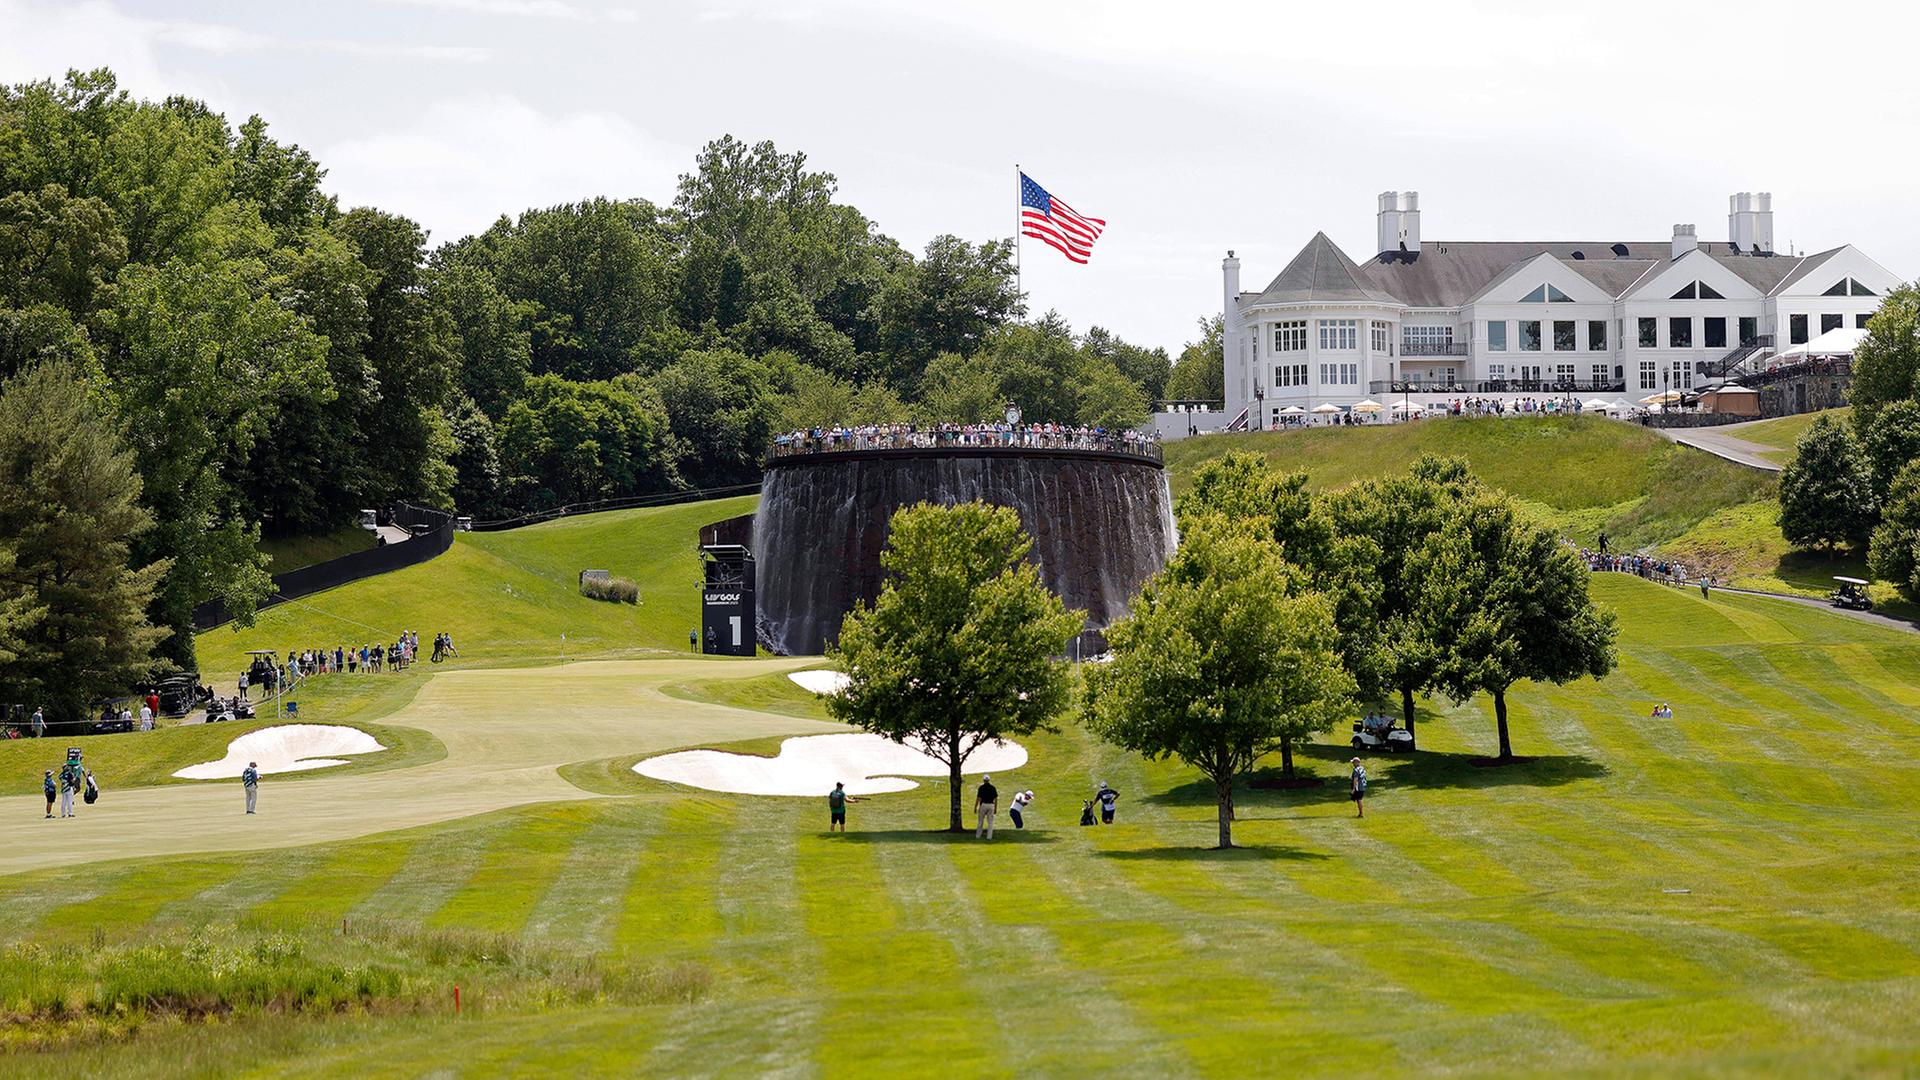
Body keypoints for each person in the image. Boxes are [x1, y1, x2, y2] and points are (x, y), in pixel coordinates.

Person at [975, 774, 999, 839]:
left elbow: (979, 798)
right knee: (990, 822)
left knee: (980, 821)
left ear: (983, 780)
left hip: (983, 805)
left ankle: (978, 835)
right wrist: (995, 808)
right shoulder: (993, 788)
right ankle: (989, 837)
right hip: (991, 805)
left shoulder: (981, 788)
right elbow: (996, 799)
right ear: (989, 780)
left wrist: (976, 807)